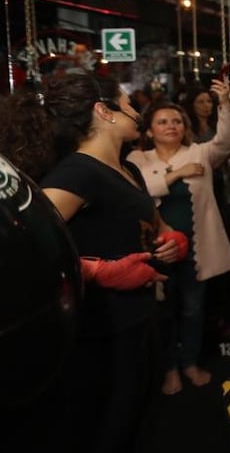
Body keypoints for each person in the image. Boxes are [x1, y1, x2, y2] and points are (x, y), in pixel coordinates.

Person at [0, 73, 187, 452]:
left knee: (140, 421)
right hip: (101, 331)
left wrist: (172, 241)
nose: (137, 113)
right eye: (130, 104)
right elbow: (22, 250)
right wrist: (98, 271)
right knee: (107, 430)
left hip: (140, 319)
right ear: (105, 111)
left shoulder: (129, 169)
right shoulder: (77, 173)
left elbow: (158, 227)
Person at [126, 79, 230, 395]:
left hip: (196, 251)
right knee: (163, 313)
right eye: (162, 122)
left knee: (193, 309)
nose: (171, 126)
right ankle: (169, 369)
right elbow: (141, 192)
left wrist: (225, 104)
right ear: (149, 130)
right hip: (157, 251)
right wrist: (176, 174)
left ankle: (189, 363)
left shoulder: (199, 153)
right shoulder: (137, 161)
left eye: (176, 121)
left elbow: (226, 142)